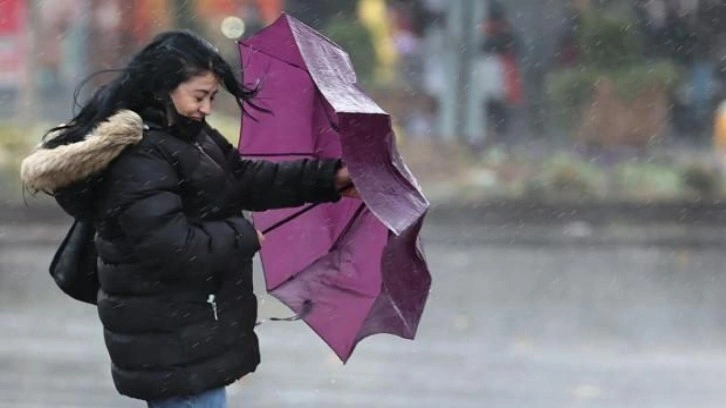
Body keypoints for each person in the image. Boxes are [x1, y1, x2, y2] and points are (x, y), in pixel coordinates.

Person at [19, 30, 357, 407]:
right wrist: (242, 235)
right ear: (164, 87)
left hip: (187, 332)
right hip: (168, 339)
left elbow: (242, 179)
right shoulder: (140, 157)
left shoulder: (187, 135)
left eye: (212, 97)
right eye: (199, 96)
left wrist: (329, 178)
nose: (207, 108)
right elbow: (171, 245)